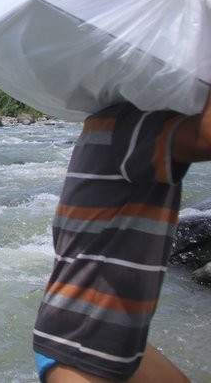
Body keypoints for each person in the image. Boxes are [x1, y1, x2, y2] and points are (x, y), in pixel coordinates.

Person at [32, 96, 211, 382]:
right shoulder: (131, 126)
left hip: (100, 333)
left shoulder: (112, 122)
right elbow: (206, 136)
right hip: (83, 343)